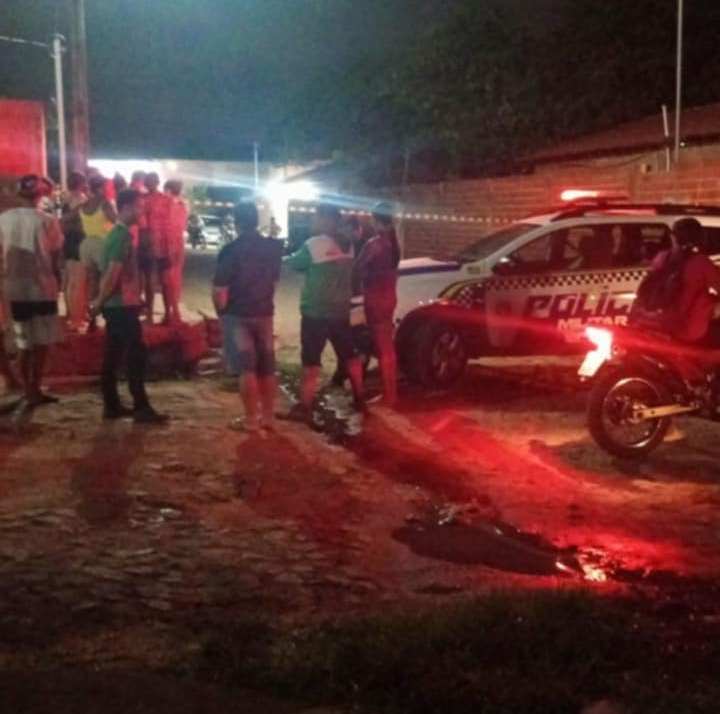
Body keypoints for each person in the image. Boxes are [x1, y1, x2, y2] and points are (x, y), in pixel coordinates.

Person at [90, 189, 168, 423]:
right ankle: (141, 406)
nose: (142, 211)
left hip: (119, 304)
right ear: (125, 207)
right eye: (138, 206)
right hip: (121, 305)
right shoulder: (121, 236)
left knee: (114, 353)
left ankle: (112, 405)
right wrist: (99, 301)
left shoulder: (115, 234)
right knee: (136, 354)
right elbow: (113, 273)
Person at [284, 203, 364, 423]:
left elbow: (293, 264)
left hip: (316, 312)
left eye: (316, 217)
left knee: (311, 361)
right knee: (349, 355)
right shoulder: (348, 245)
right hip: (340, 311)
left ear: (326, 220)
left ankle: (305, 406)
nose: (313, 221)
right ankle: (360, 398)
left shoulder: (314, 244)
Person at [212, 202, 283, 432]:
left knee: (247, 369)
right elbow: (274, 282)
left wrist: (222, 314)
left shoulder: (231, 250)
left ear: (236, 222)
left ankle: (251, 420)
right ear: (256, 220)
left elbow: (219, 289)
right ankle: (269, 417)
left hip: (238, 314)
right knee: (267, 367)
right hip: (264, 313)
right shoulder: (272, 248)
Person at [0, 174, 64, 407]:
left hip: (14, 288)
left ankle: (26, 388)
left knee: (24, 340)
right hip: (42, 286)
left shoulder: (3, 220)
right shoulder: (47, 220)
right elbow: (56, 254)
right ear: (40, 195)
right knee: (42, 342)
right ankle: (34, 388)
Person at [354, 202, 401, 406]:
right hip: (389, 297)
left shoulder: (375, 244)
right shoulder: (393, 243)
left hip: (375, 299)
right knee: (386, 346)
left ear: (375, 220)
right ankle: (390, 392)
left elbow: (357, 267)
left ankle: (390, 395)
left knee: (383, 348)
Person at [80, 174, 116, 331]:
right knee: (107, 282)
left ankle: (92, 320)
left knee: (92, 283)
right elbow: (116, 221)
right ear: (102, 187)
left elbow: (67, 218)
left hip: (87, 244)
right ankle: (109, 318)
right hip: (103, 244)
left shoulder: (84, 204)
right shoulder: (105, 203)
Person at [140, 172, 172, 324]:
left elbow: (142, 224)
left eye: (150, 181)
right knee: (158, 281)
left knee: (153, 281)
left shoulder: (143, 200)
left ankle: (154, 316)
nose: (149, 184)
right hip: (159, 245)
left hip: (152, 245)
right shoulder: (166, 200)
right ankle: (163, 315)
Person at [60, 171, 88, 331]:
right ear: (81, 183)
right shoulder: (82, 200)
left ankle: (71, 315)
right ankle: (77, 319)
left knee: (69, 282)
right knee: (77, 283)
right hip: (78, 242)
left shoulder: (64, 198)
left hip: (67, 242)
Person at [164, 179, 188, 324]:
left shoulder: (168, 204)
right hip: (179, 242)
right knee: (176, 277)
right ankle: (174, 309)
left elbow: (168, 226)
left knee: (169, 278)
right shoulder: (183, 205)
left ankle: (172, 311)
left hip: (169, 243)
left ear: (168, 189)